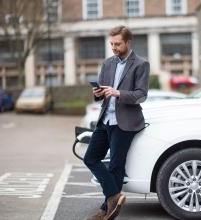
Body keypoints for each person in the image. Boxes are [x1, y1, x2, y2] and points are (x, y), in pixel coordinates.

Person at [83, 25, 150, 220]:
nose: (114, 47)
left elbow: (141, 95)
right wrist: (97, 94)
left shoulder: (140, 64)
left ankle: (105, 210)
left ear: (128, 42)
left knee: (115, 166)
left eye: (117, 44)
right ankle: (114, 196)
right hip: (105, 119)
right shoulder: (107, 63)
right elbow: (102, 94)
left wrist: (118, 93)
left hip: (126, 122)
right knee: (90, 158)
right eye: (111, 43)